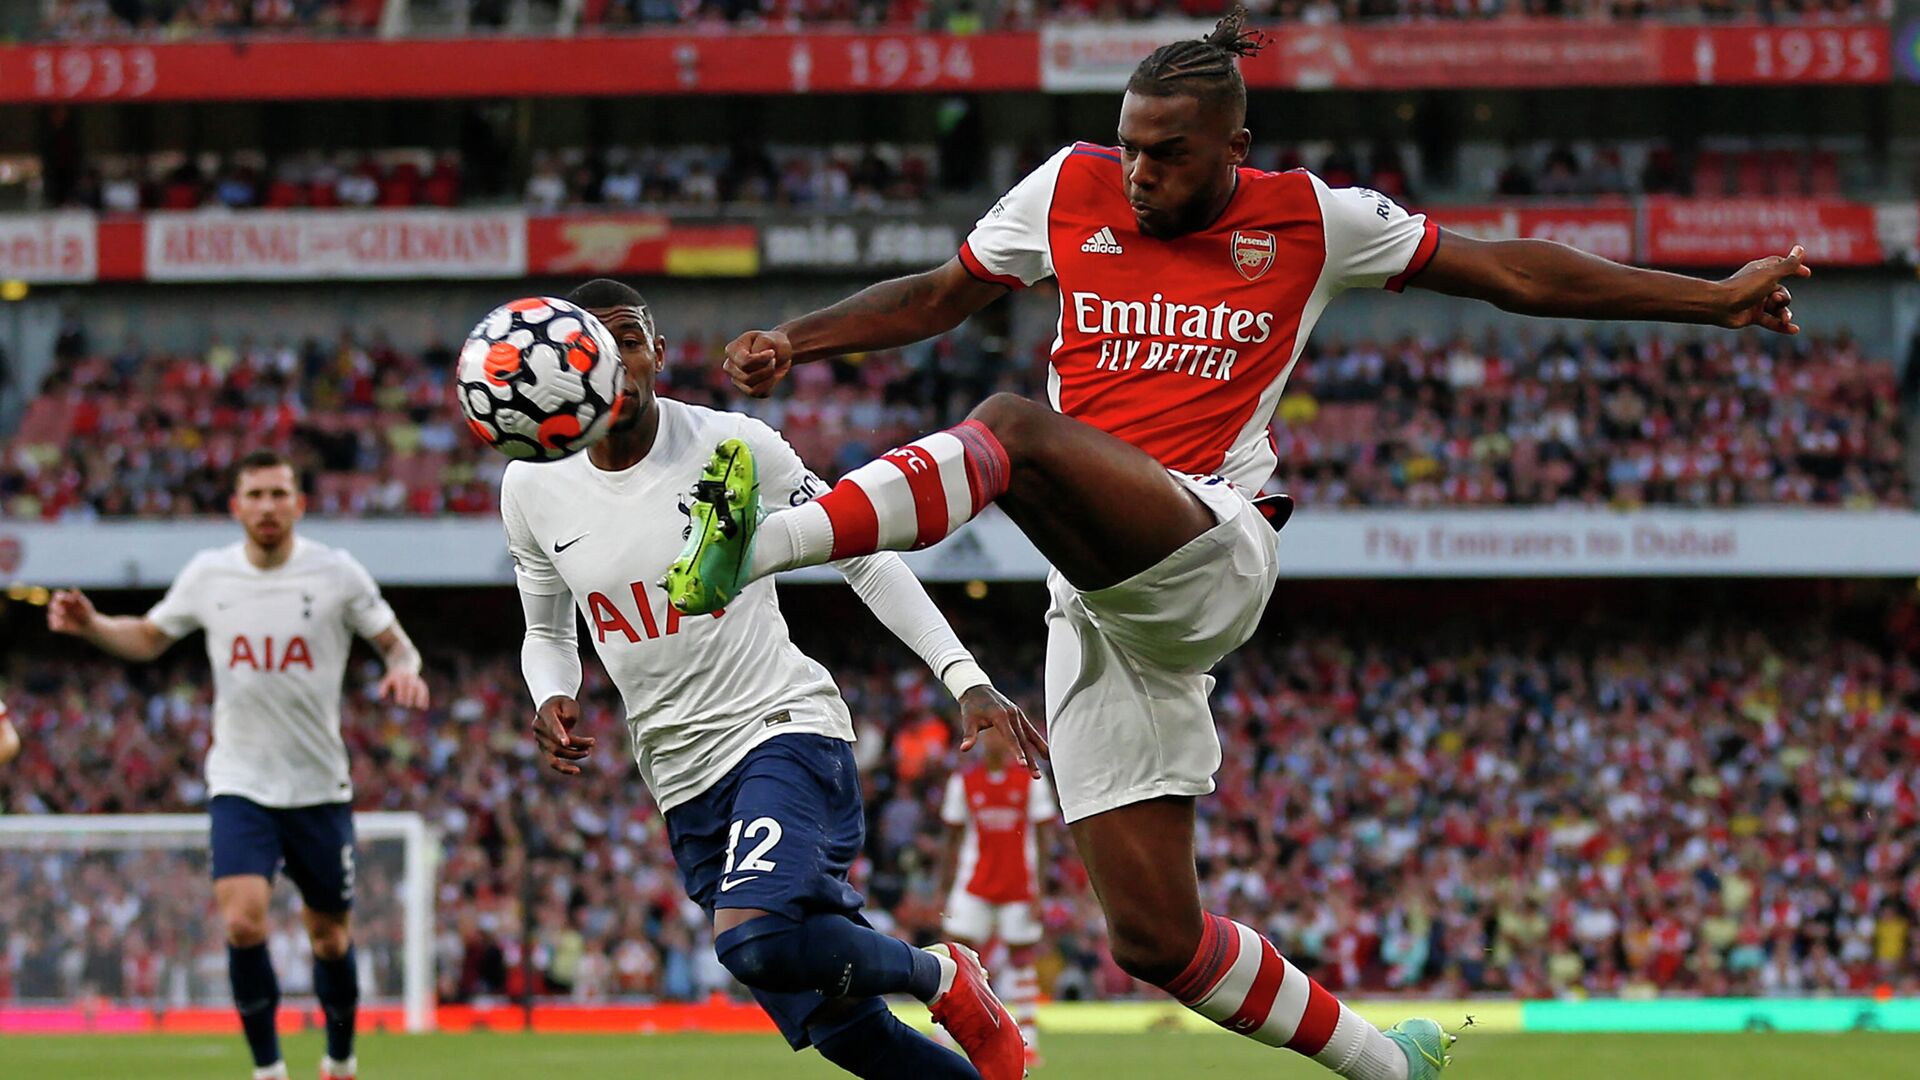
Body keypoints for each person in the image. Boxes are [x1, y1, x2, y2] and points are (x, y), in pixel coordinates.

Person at [670, 9, 1812, 1079]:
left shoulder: (1313, 218)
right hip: (1104, 607)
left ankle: (759, 545)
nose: (1139, 173)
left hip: (1210, 544)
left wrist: (1711, 300)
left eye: (1168, 153)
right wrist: (795, 338)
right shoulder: (1068, 189)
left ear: (1234, 147)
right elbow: (936, 294)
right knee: (1156, 941)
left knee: (1014, 428)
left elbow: (1512, 270)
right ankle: (1387, 1058)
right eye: (1129, 147)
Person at [506, 279, 1039, 1080]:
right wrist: (551, 691)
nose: (620, 360)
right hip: (681, 779)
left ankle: (944, 976)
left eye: (633, 339)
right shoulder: (532, 485)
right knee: (847, 1031)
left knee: (753, 937)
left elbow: (862, 554)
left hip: (781, 730)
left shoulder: (732, 447)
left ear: (658, 351)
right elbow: (546, 631)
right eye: (598, 345)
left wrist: (964, 676)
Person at [48, 450, 430, 1080]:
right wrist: (92, 625)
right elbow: (148, 637)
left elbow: (396, 645)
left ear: (299, 504)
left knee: (330, 937)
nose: (267, 506)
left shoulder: (336, 573)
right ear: (236, 506)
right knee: (242, 920)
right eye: (254, 495)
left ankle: (339, 1058)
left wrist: (403, 671)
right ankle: (269, 1069)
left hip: (317, 786)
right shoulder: (209, 575)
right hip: (240, 782)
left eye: (279, 494)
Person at [937, 727, 1055, 1067]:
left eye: (998, 735)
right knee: (955, 954)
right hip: (973, 881)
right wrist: (942, 890)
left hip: (1019, 884)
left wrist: (1040, 890)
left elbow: (1045, 836)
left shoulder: (1029, 780)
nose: (992, 741)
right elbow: (952, 839)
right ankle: (945, 1035)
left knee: (1021, 957)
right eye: (986, 735)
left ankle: (1028, 1040)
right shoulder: (964, 782)